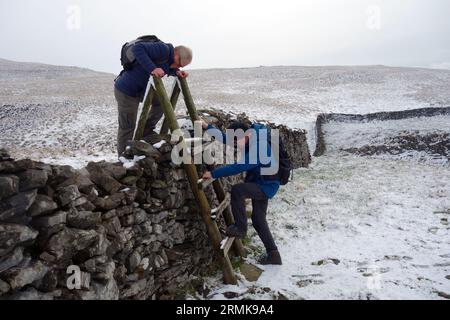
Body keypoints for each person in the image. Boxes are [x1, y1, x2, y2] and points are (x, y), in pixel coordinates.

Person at [201, 120, 283, 265]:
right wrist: (207, 126)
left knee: (238, 190)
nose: (235, 145)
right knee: (258, 219)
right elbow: (227, 139)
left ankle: (240, 228)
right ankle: (274, 255)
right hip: (260, 181)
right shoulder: (247, 138)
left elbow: (240, 167)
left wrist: (214, 174)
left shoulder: (259, 146)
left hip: (267, 185)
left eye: (236, 141)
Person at [114, 40, 193, 156]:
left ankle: (147, 130)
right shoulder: (163, 49)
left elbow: (168, 67)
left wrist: (177, 72)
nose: (178, 66)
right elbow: (137, 48)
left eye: (181, 66)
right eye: (179, 64)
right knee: (128, 126)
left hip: (142, 90)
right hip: (126, 91)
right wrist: (152, 68)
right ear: (176, 54)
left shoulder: (170, 61)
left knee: (162, 102)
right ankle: (123, 157)